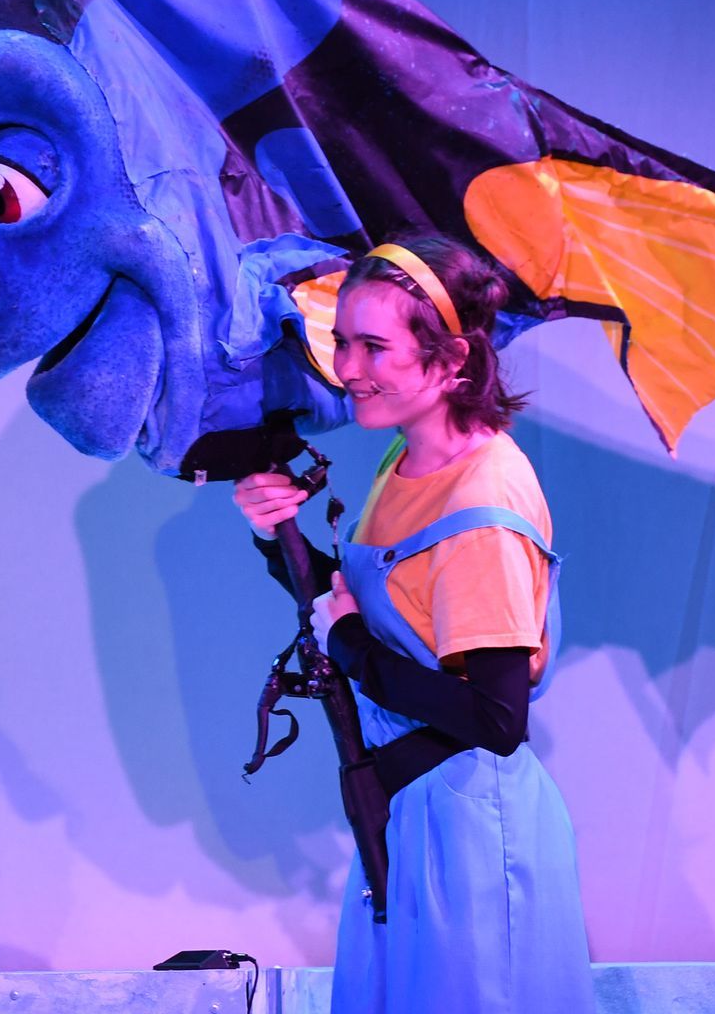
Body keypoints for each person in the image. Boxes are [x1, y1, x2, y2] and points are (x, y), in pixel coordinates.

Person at [234, 239, 592, 1013]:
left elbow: (497, 719)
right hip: (411, 811)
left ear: (452, 359)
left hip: (472, 832)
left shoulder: (481, 501)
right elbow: (355, 611)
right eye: (342, 342)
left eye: (374, 347)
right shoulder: (405, 460)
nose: (347, 368)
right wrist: (275, 535)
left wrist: (352, 649)